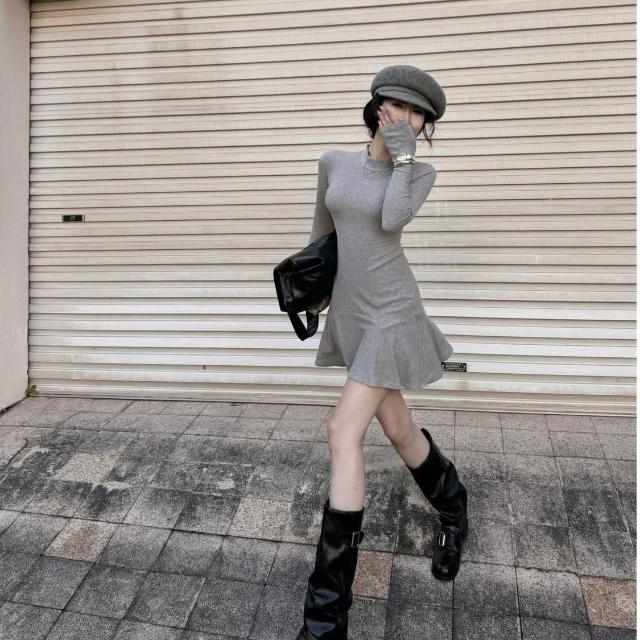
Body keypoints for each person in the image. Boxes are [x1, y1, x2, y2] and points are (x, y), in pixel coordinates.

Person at [295, 64, 469, 640]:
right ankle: (454, 506)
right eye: (401, 106)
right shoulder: (333, 162)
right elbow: (323, 232)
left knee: (341, 431)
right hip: (352, 311)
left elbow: (392, 218)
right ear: (377, 104)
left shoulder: (418, 172)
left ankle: (325, 623)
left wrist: (403, 155)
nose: (409, 119)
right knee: (397, 429)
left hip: (393, 312)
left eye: (420, 115)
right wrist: (313, 291)